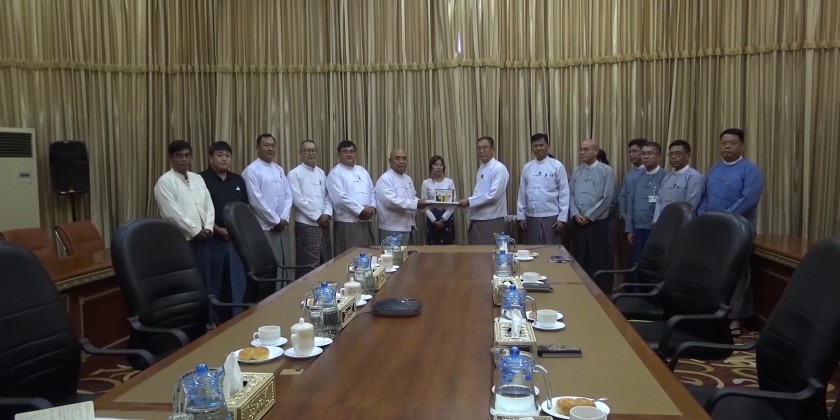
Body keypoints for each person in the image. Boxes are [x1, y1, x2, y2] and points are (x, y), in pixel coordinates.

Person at [698, 128, 765, 336]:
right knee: (714, 272)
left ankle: (736, 318)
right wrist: (704, 216)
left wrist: (725, 218)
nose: (727, 146)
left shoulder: (750, 170)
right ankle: (714, 313)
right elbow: (705, 197)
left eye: (732, 143)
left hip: (739, 231)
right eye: (724, 143)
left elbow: (748, 199)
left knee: (737, 274)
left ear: (742, 146)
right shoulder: (714, 169)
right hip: (714, 229)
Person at [153, 140, 215, 316]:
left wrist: (208, 227)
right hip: (183, 242)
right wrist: (195, 231)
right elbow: (172, 213)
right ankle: (194, 322)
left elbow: (209, 205)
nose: (184, 159)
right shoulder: (165, 182)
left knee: (207, 282)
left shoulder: (197, 178)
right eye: (179, 156)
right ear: (170, 158)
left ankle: (210, 320)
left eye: (187, 155)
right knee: (190, 286)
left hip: (204, 239)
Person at [199, 141, 249, 320]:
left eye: (227, 155)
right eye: (219, 155)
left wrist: (237, 231)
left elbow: (244, 209)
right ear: (210, 158)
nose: (224, 159)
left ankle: (237, 318)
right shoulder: (200, 180)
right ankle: (214, 321)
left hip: (236, 240)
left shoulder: (238, 180)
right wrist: (217, 229)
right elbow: (200, 211)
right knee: (215, 281)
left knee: (237, 282)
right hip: (212, 239)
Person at [242, 133, 293, 295]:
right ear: (257, 148)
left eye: (272, 145)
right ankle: (270, 298)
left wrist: (284, 218)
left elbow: (288, 196)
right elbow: (255, 200)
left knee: (283, 262)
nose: (270, 148)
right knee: (269, 265)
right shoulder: (251, 170)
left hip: (281, 226)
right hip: (264, 227)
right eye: (266, 145)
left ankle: (284, 294)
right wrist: (275, 220)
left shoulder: (279, 169)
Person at [569, 139, 616, 290]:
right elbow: (570, 194)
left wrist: (590, 215)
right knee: (579, 258)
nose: (582, 152)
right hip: (578, 223)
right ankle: (580, 291)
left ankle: (601, 293)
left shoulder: (606, 171)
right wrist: (575, 214)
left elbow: (607, 197)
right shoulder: (577, 171)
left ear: (596, 151)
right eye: (581, 149)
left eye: (586, 149)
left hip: (597, 223)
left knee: (598, 259)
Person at [288, 140, 333, 279]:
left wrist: (327, 214)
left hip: (323, 224)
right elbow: (298, 200)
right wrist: (317, 216)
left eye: (313, 150)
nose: (311, 153)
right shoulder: (294, 173)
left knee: (325, 261)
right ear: (300, 153)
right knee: (308, 265)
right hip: (306, 225)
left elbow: (328, 196)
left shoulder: (321, 173)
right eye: (307, 150)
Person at [516, 133, 570, 245]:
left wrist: (562, 218)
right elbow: (522, 193)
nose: (538, 148)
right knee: (533, 250)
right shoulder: (527, 167)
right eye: (535, 146)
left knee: (551, 250)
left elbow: (564, 193)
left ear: (547, 145)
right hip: (531, 217)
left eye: (541, 145)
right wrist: (521, 216)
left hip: (552, 216)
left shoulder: (557, 166)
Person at [326, 140, 377, 255]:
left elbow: (372, 191)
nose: (349, 154)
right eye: (345, 152)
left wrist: (373, 208)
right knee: (349, 257)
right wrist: (361, 210)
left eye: (352, 151)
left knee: (368, 255)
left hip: (366, 221)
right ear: (339, 155)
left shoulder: (362, 171)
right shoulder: (335, 173)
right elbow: (339, 199)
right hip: (347, 223)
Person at [457, 136, 510, 245]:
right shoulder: (481, 168)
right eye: (478, 148)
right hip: (477, 219)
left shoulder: (499, 168)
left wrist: (469, 201)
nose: (481, 151)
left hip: (492, 219)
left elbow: (493, 195)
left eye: (485, 147)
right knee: (477, 253)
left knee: (490, 252)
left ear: (493, 149)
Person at [625, 142, 667, 265]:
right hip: (638, 228)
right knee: (636, 262)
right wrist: (629, 229)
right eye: (643, 153)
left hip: (656, 229)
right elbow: (630, 203)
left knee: (652, 263)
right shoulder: (636, 178)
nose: (646, 157)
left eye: (650, 153)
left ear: (658, 156)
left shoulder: (666, 177)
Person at [375, 148, 428, 245]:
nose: (401, 161)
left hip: (408, 227)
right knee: (393, 255)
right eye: (398, 158)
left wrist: (426, 202)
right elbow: (391, 201)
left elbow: (412, 197)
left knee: (408, 255)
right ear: (390, 161)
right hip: (392, 229)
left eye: (404, 158)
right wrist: (416, 204)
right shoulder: (385, 179)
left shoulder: (408, 178)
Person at [653, 140, 705, 222]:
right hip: (662, 223)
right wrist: (656, 220)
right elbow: (659, 201)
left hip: (682, 223)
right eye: (670, 154)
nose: (673, 157)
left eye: (677, 154)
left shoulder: (694, 177)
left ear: (688, 156)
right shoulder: (667, 177)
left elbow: (690, 206)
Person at [422, 156, 457, 245]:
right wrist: (434, 221)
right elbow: (424, 204)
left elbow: (453, 203)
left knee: (448, 248)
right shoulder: (426, 183)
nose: (438, 167)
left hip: (447, 218)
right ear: (431, 167)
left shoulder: (449, 182)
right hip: (432, 219)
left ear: (444, 167)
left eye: (441, 165)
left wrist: (443, 219)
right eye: (435, 164)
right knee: (432, 249)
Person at [617, 138, 647, 221]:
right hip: (627, 217)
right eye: (629, 152)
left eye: (634, 151)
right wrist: (623, 214)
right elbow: (622, 196)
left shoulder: (650, 172)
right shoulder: (629, 173)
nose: (631, 154)